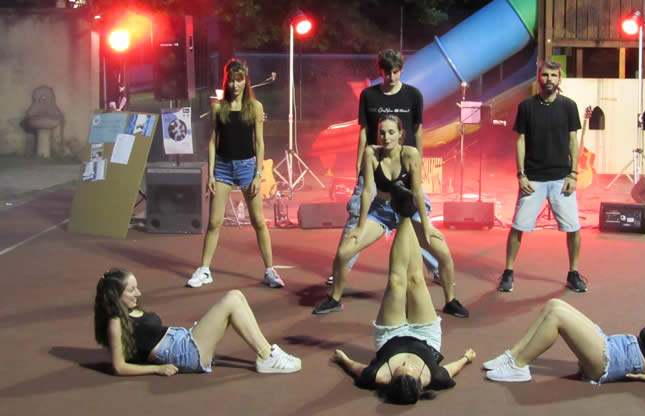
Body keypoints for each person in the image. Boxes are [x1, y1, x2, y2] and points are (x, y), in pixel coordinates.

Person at [315, 51, 468, 317]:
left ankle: (450, 298)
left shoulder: (412, 110)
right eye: (387, 72)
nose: (386, 137)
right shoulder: (371, 141)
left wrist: (428, 225)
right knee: (346, 246)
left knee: (440, 250)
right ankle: (335, 296)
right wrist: (360, 223)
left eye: (396, 71)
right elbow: (367, 186)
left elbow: (417, 188)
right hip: (380, 207)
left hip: (407, 201)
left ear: (400, 134)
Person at [330, 194, 476, 403]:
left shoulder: (377, 376)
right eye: (412, 370)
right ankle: (407, 213)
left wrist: (343, 359)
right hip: (426, 336)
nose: (406, 365)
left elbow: (356, 369)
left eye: (400, 369)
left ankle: (401, 216)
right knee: (416, 279)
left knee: (397, 281)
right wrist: (466, 358)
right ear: (421, 382)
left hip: (391, 335)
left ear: (390, 380)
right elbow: (451, 369)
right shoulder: (435, 377)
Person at [482, 286, 645, 387]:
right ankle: (513, 356)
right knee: (555, 304)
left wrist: (641, 377)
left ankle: (520, 367)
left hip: (610, 362)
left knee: (558, 317)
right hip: (612, 346)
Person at [187, 58, 284, 289]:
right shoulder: (218, 108)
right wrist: (211, 174)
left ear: (245, 81)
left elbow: (259, 142)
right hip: (222, 167)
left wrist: (259, 174)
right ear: (227, 82)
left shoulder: (255, 107)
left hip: (247, 168)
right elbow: (213, 141)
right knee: (214, 222)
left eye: (239, 80)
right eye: (231, 81)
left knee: (258, 221)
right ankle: (204, 270)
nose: (235, 85)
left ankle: (270, 270)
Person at [94, 268, 301, 376]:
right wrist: (157, 369)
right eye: (131, 290)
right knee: (232, 299)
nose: (138, 293)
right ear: (115, 295)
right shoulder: (115, 322)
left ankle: (267, 353)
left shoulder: (128, 311)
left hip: (181, 340)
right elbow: (119, 367)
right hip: (182, 352)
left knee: (236, 297)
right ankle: (266, 356)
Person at [498, 60, 587, 294]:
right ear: (539, 78)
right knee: (518, 227)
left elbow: (573, 141)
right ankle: (508, 272)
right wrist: (521, 175)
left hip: (561, 179)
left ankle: (573, 273)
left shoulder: (569, 106)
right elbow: (521, 141)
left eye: (553, 75)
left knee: (573, 228)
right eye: (545, 75)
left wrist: (574, 174)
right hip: (533, 179)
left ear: (560, 79)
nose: (549, 79)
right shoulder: (526, 106)